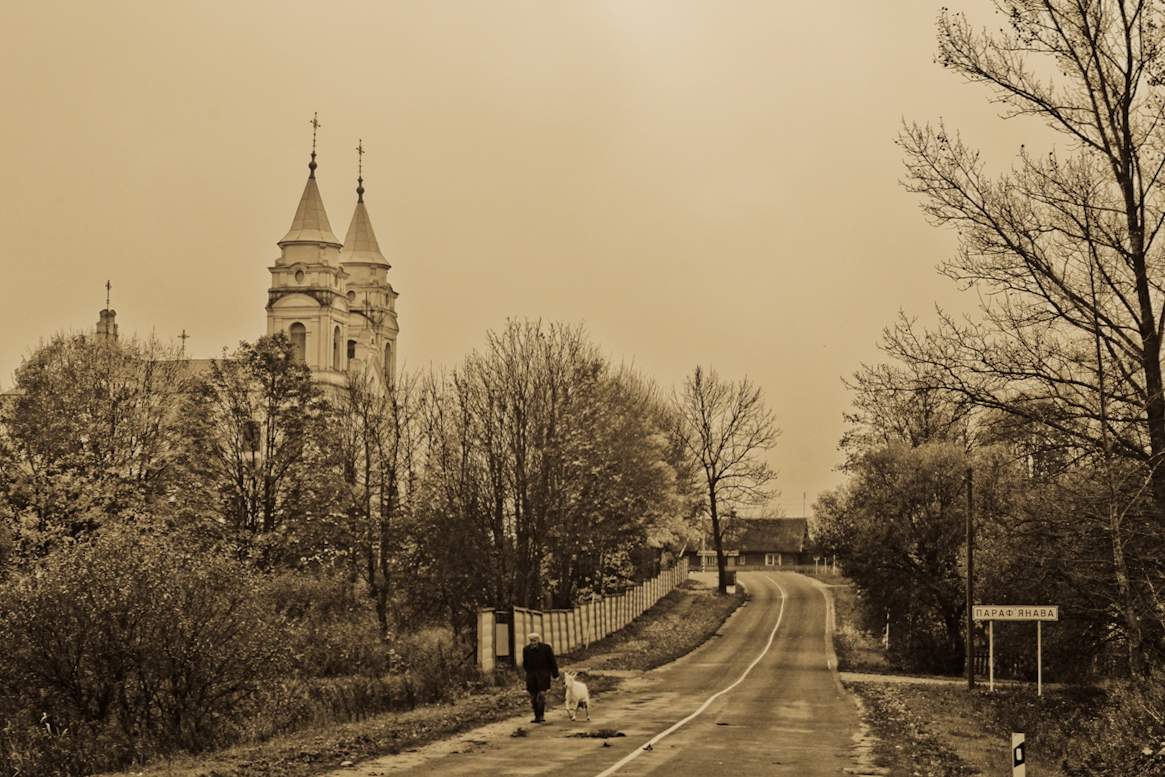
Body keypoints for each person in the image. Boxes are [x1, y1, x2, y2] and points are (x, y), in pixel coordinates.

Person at [522, 632, 559, 723]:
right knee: (533, 698)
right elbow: (525, 663)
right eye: (531, 641)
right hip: (531, 677)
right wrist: (528, 673)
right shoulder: (526, 649)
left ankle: (541, 715)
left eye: (534, 641)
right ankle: (536, 716)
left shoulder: (546, 648)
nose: (533, 643)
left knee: (541, 696)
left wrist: (555, 674)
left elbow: (552, 662)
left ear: (538, 640)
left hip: (543, 676)